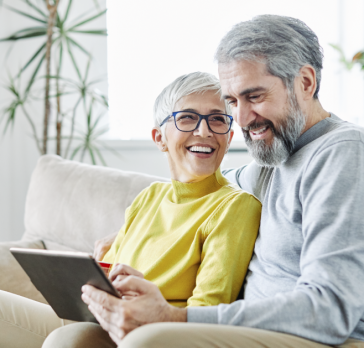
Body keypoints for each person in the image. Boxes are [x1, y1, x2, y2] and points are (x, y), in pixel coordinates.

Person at [42, 14, 364, 348]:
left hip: (315, 338)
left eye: (254, 97)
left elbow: (331, 310)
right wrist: (131, 230)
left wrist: (174, 318)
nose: (240, 119)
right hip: (249, 331)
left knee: (148, 340)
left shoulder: (342, 153)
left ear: (306, 83)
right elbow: (197, 189)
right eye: (233, 101)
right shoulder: (275, 156)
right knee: (73, 338)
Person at [0, 72, 262, 348]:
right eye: (187, 117)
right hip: (100, 318)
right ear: (159, 138)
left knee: (67, 339)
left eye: (217, 119)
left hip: (152, 334)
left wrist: (150, 305)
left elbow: (207, 310)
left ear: (229, 137)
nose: (204, 131)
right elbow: (112, 275)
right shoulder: (150, 196)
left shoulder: (235, 206)